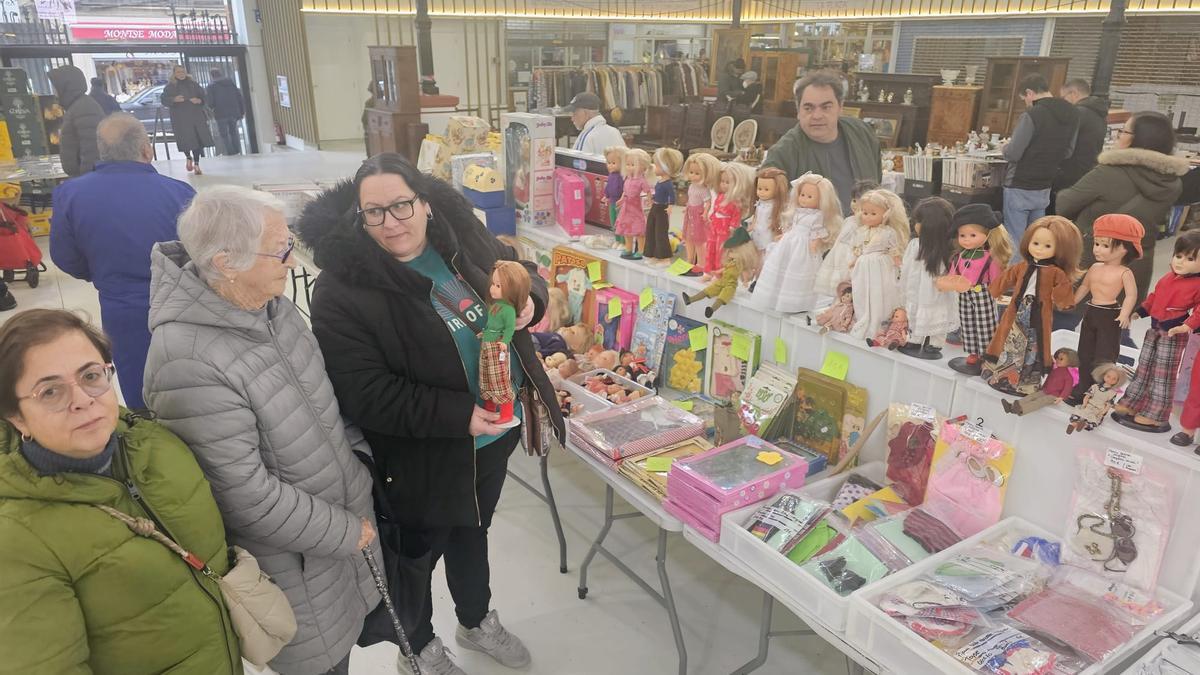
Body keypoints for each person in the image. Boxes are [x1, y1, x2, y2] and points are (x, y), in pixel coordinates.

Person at [297, 153, 567, 675]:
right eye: (374, 212)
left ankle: (475, 619)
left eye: (401, 205)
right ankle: (416, 647)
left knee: (474, 530)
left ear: (424, 203)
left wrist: (531, 301)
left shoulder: (459, 240)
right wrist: (458, 415)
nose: (391, 222)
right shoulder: (342, 290)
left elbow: (520, 272)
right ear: (358, 216)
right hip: (422, 454)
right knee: (417, 556)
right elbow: (363, 392)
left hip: (493, 438)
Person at [143, 185, 380, 675]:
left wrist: (361, 467)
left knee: (344, 645)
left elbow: (323, 403)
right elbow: (243, 496)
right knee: (322, 663)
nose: (292, 261)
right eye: (279, 250)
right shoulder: (187, 359)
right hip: (295, 561)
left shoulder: (272, 308)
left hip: (337, 532)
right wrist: (342, 531)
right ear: (226, 263)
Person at [0, 309, 241, 674]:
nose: (82, 399)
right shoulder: (17, 539)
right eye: (50, 391)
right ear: (17, 417)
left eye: (91, 376)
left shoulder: (156, 443)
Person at [49, 113, 195, 410]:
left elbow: (64, 256)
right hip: (181, 303)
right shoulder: (180, 193)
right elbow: (201, 253)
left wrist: (101, 273)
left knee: (139, 385)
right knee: (192, 381)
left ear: (102, 151)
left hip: (120, 307)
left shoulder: (71, 194)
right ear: (146, 150)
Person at [1057, 111, 1189, 307]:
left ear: (1137, 139)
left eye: (1124, 131)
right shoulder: (1172, 182)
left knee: (1066, 314)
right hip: (1137, 263)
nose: (1119, 135)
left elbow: (1064, 205)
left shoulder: (1108, 172)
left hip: (1093, 259)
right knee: (1117, 317)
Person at [761, 70, 883, 215]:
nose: (817, 116)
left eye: (826, 107)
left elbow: (877, 182)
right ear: (798, 111)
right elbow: (765, 207)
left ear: (840, 107)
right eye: (808, 108)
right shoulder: (783, 153)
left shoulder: (863, 134)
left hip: (865, 226)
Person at [1001, 73, 1079, 243]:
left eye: (1024, 99)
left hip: (1020, 183)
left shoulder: (1032, 114)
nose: (1026, 103)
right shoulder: (1073, 114)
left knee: (1014, 238)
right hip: (1045, 185)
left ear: (1029, 93)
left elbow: (1013, 153)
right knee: (1036, 239)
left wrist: (1005, 147)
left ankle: (1015, 262)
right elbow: (1068, 152)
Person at [1053, 78, 1108, 195]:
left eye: (1063, 97)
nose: (1063, 101)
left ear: (1074, 94)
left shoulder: (1077, 113)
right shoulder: (1100, 114)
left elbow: (1064, 142)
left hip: (1070, 172)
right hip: (1088, 169)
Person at [48, 65, 103, 177]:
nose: (54, 91)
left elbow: (92, 149)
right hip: (81, 176)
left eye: (56, 87)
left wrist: (86, 179)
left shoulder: (84, 108)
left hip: (85, 177)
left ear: (65, 86)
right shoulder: (76, 106)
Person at [163, 65, 214, 175]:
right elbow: (163, 99)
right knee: (184, 139)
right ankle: (188, 157)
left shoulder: (193, 84)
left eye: (183, 72)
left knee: (197, 140)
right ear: (174, 74)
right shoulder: (170, 87)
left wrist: (199, 100)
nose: (181, 74)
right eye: (178, 72)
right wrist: (174, 99)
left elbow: (204, 96)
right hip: (180, 118)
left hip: (196, 116)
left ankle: (196, 164)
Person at [566, 91, 624, 156]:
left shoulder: (587, 136)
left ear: (584, 113)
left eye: (574, 113)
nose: (572, 118)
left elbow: (577, 161)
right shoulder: (614, 132)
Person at [205, 68, 244, 155]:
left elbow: (210, 102)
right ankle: (237, 150)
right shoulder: (231, 83)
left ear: (211, 75)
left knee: (224, 134)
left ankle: (230, 151)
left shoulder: (211, 86)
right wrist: (241, 111)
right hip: (234, 112)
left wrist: (211, 108)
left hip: (220, 113)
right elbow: (239, 97)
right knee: (233, 132)